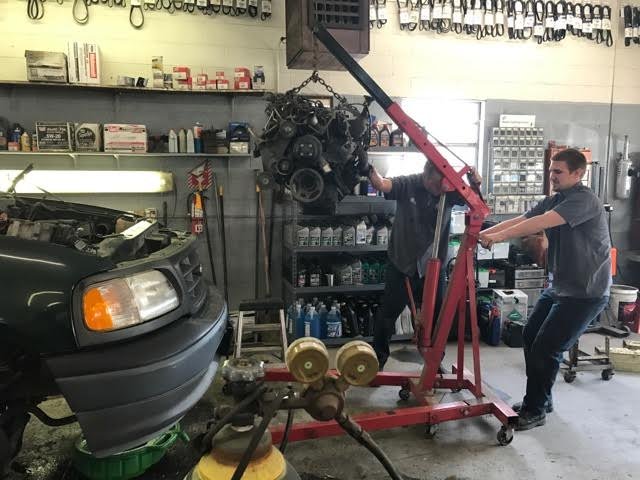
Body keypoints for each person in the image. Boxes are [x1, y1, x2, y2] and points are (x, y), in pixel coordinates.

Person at [479, 148, 611, 431]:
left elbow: (540, 223)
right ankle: (542, 400)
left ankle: (535, 409)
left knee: (546, 348)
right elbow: (524, 218)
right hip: (561, 286)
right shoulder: (556, 199)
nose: (552, 176)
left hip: (585, 292)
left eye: (558, 171)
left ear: (578, 173)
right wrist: (485, 232)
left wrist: (499, 237)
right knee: (530, 335)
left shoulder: (583, 201)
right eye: (551, 171)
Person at [368, 160, 481, 369]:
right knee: (388, 314)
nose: (437, 189)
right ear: (424, 176)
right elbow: (383, 184)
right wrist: (368, 170)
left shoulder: (449, 189)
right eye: (433, 185)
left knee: (438, 316)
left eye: (440, 185)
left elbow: (476, 203)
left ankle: (434, 362)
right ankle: (377, 361)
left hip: (434, 266)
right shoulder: (409, 184)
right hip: (402, 262)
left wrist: (475, 184)